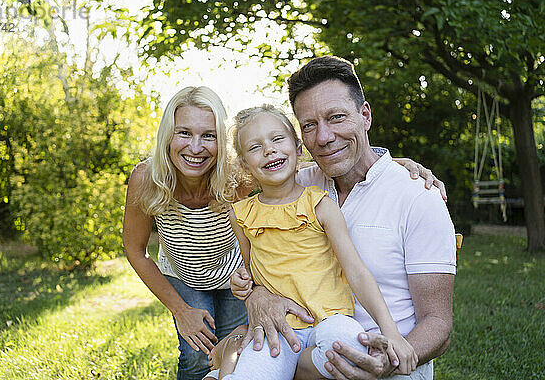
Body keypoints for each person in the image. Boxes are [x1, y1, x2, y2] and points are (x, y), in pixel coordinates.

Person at [231, 56, 456, 380]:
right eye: (309, 125)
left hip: (381, 365)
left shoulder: (418, 196)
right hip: (299, 352)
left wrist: (386, 362)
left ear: (365, 115)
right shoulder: (300, 186)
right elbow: (254, 248)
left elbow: (438, 324)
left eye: (336, 117)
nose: (323, 137)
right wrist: (257, 294)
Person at [221, 105, 417, 380]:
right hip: (277, 328)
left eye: (278, 139)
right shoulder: (242, 214)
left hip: (331, 318)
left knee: (350, 351)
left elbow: (356, 272)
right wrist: (243, 283)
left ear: (298, 148)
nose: (269, 150)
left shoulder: (320, 205)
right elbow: (251, 272)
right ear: (243, 164)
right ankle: (225, 367)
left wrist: (391, 331)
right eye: (255, 147)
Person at [122, 86, 249, 380]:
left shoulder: (237, 177)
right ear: (168, 135)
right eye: (184, 133)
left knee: (234, 356)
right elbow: (135, 250)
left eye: (208, 136)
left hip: (234, 276)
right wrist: (180, 310)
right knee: (197, 356)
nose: (195, 147)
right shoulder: (146, 178)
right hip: (183, 275)